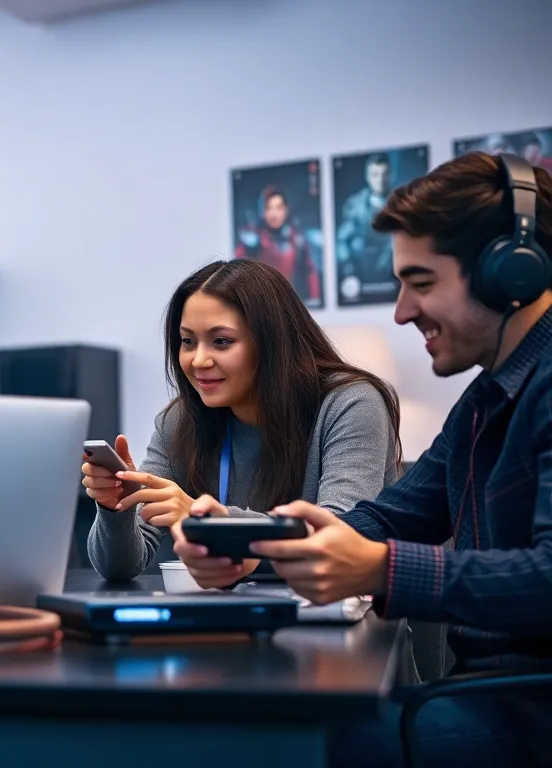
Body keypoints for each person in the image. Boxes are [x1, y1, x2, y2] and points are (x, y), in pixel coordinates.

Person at [173, 152, 552, 766]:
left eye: (421, 283)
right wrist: (243, 544)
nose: (402, 311)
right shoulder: (487, 397)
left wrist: (380, 570)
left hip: (528, 707)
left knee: (302, 741)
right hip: (487, 693)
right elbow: (389, 518)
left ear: (511, 273)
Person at [81, 258, 402, 582]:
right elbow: (119, 568)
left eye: (221, 341)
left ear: (272, 343)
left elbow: (336, 539)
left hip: (341, 623)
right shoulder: (179, 421)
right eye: (188, 341)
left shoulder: (351, 405)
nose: (199, 360)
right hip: (229, 621)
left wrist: (207, 522)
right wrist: (115, 509)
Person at [235, 185, 321, 305]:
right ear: (262, 211)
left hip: (289, 304)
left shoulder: (297, 238)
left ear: (286, 209)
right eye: (268, 208)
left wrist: (315, 298)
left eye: (279, 208)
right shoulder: (253, 239)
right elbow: (236, 274)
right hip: (260, 305)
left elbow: (310, 271)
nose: (274, 214)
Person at [337, 153, 399, 302]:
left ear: (391, 175)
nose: (380, 180)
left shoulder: (403, 203)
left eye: (385, 174)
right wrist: (349, 271)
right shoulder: (355, 205)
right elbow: (342, 241)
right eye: (375, 174)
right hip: (362, 275)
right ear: (367, 176)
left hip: (394, 275)